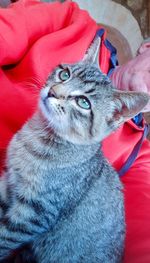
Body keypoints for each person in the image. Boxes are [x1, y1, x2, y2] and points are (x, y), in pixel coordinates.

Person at [0, 0, 150, 262]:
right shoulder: (74, 23)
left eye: (83, 102)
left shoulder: (139, 152)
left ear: (115, 115)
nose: (55, 91)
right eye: (64, 77)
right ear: (147, 48)